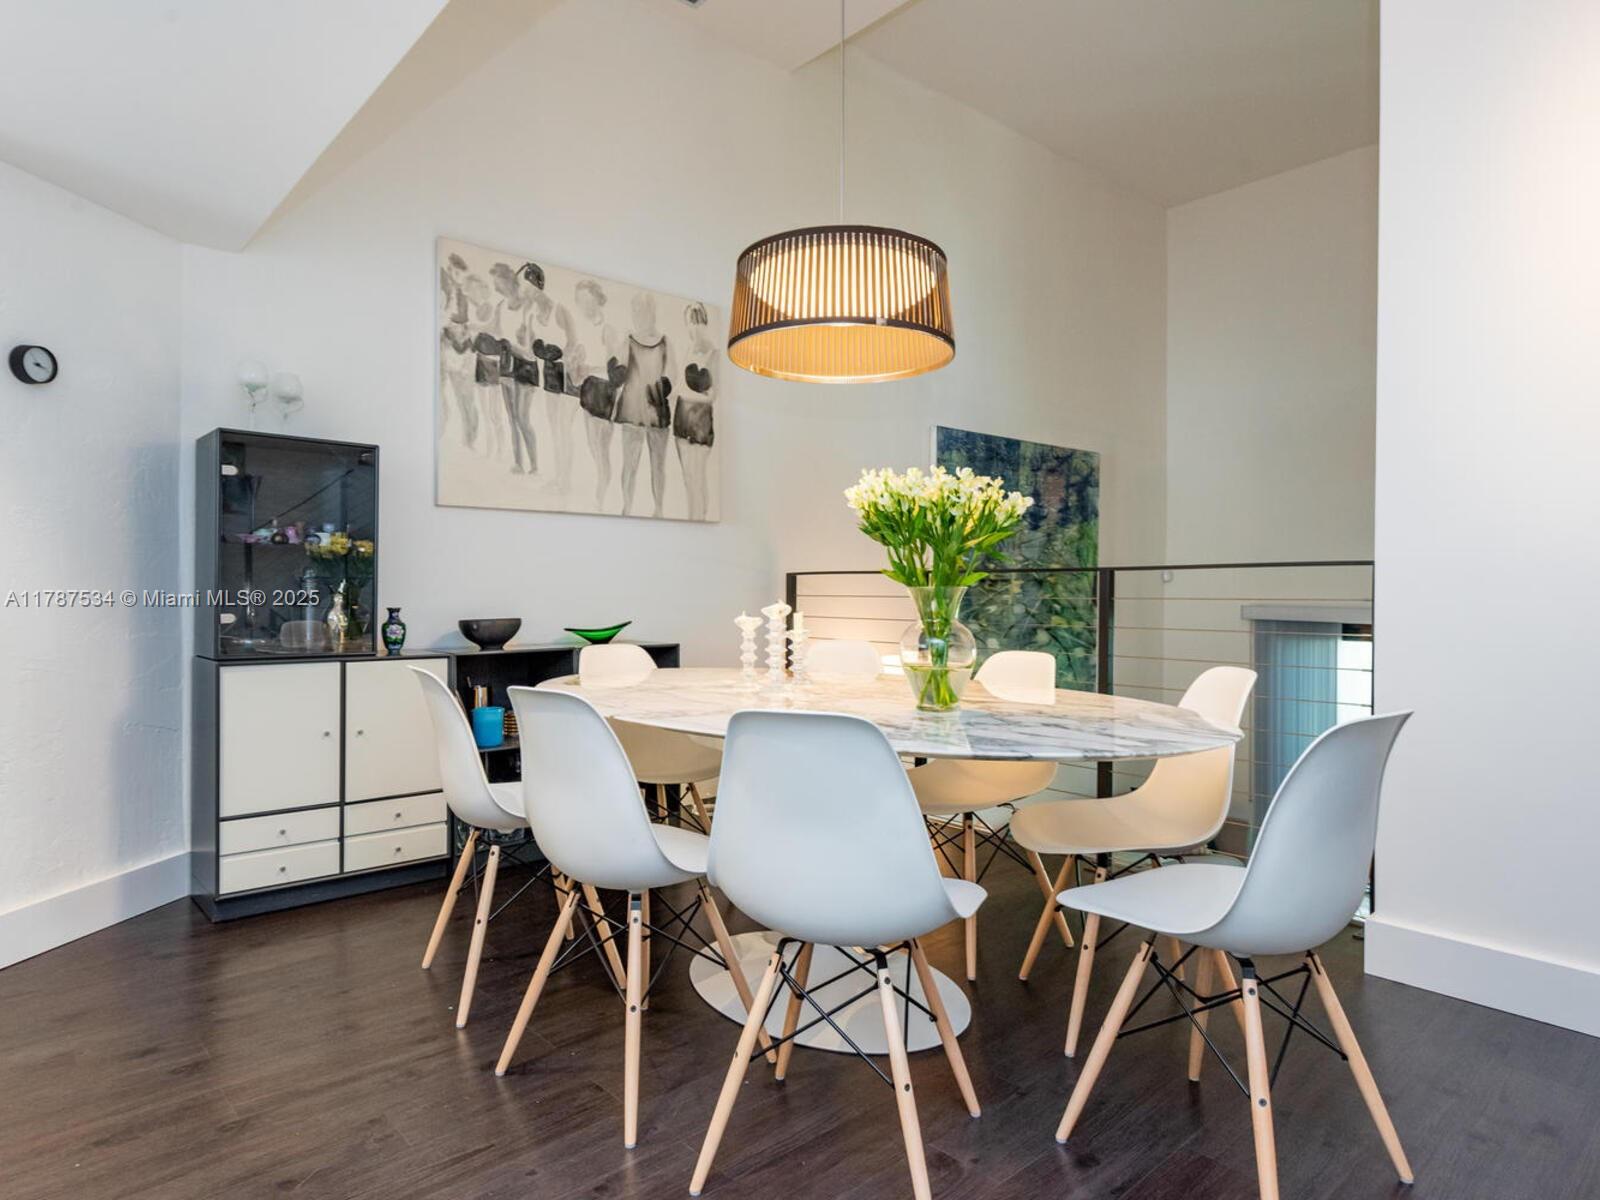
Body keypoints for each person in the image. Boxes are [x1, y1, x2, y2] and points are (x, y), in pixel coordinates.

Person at [614, 291, 674, 517]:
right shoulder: (628, 341)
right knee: (630, 464)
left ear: (652, 312)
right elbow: (618, 371)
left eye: (642, 310)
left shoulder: (665, 342)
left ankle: (659, 509)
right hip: (632, 410)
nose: (638, 315)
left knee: (658, 465)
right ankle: (627, 507)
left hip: (657, 410)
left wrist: (664, 387)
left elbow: (673, 373)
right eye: (635, 311)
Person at [573, 277, 624, 509]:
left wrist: (590, 369)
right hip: (588, 388)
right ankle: (600, 489)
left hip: (604, 390)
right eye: (580, 300)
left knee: (601, 449)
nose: (584, 304)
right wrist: (578, 366)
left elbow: (616, 370)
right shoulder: (583, 327)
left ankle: (601, 496)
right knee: (592, 446)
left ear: (596, 299)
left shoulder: (607, 329)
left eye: (587, 299)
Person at [674, 301, 716, 521]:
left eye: (698, 322)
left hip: (700, 423)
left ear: (705, 323)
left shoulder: (713, 354)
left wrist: (685, 394)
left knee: (697, 477)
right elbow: (679, 385)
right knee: (688, 478)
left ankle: (698, 518)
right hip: (682, 419)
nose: (694, 327)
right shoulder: (687, 350)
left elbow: (712, 396)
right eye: (690, 322)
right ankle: (696, 518)